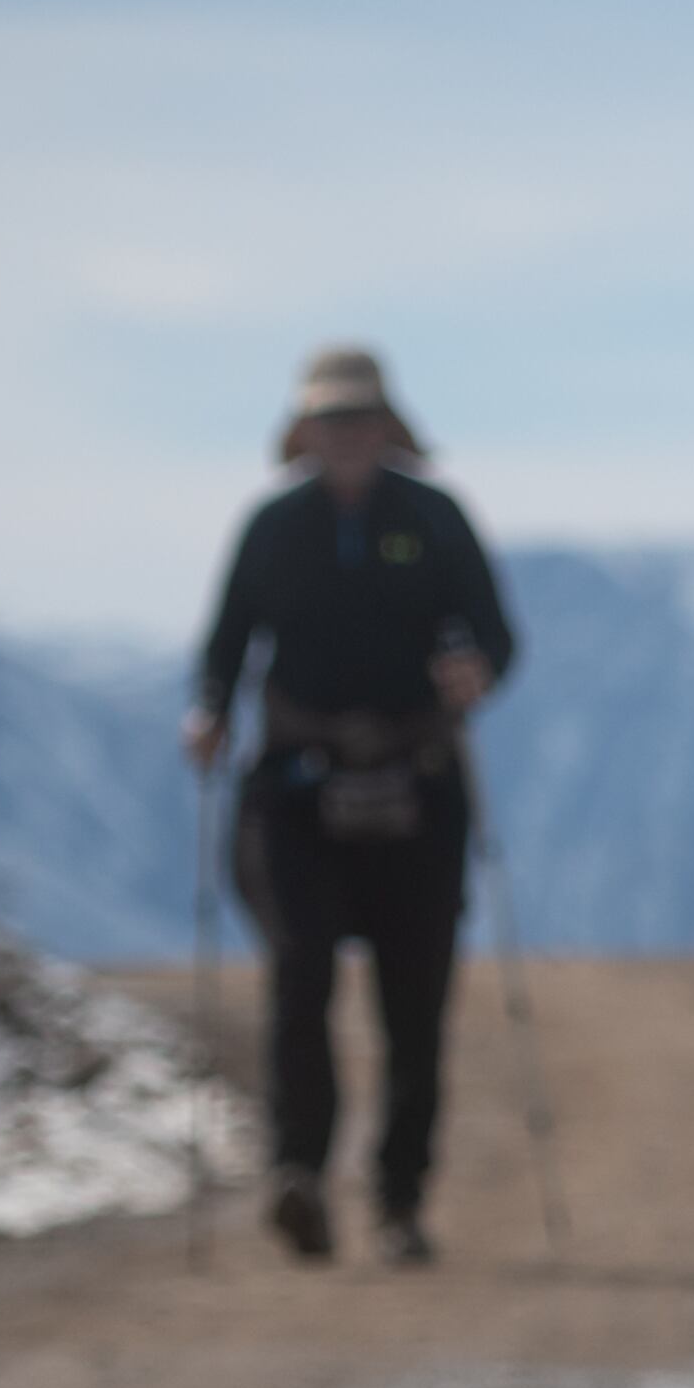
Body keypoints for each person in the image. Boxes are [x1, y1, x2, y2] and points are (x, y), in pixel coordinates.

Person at [186, 345, 515, 1266]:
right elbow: (225, 645)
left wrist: (474, 670)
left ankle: (398, 1199)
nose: (347, 435)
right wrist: (209, 713)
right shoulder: (271, 528)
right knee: (300, 980)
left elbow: (496, 633)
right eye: (332, 420)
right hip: (295, 789)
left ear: (388, 428)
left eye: (361, 419)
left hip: (418, 785)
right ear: (306, 433)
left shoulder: (435, 519)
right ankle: (298, 1172)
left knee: (413, 1006)